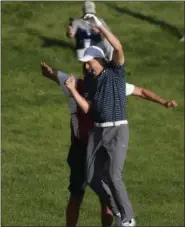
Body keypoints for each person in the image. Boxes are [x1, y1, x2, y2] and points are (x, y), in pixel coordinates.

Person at [40, 62, 177, 227]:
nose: (89, 69)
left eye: (92, 65)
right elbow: (55, 74)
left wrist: (164, 102)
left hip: (101, 146)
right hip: (80, 149)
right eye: (86, 66)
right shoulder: (77, 84)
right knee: (77, 196)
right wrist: (48, 72)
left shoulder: (111, 85)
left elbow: (140, 91)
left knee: (106, 199)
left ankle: (121, 218)